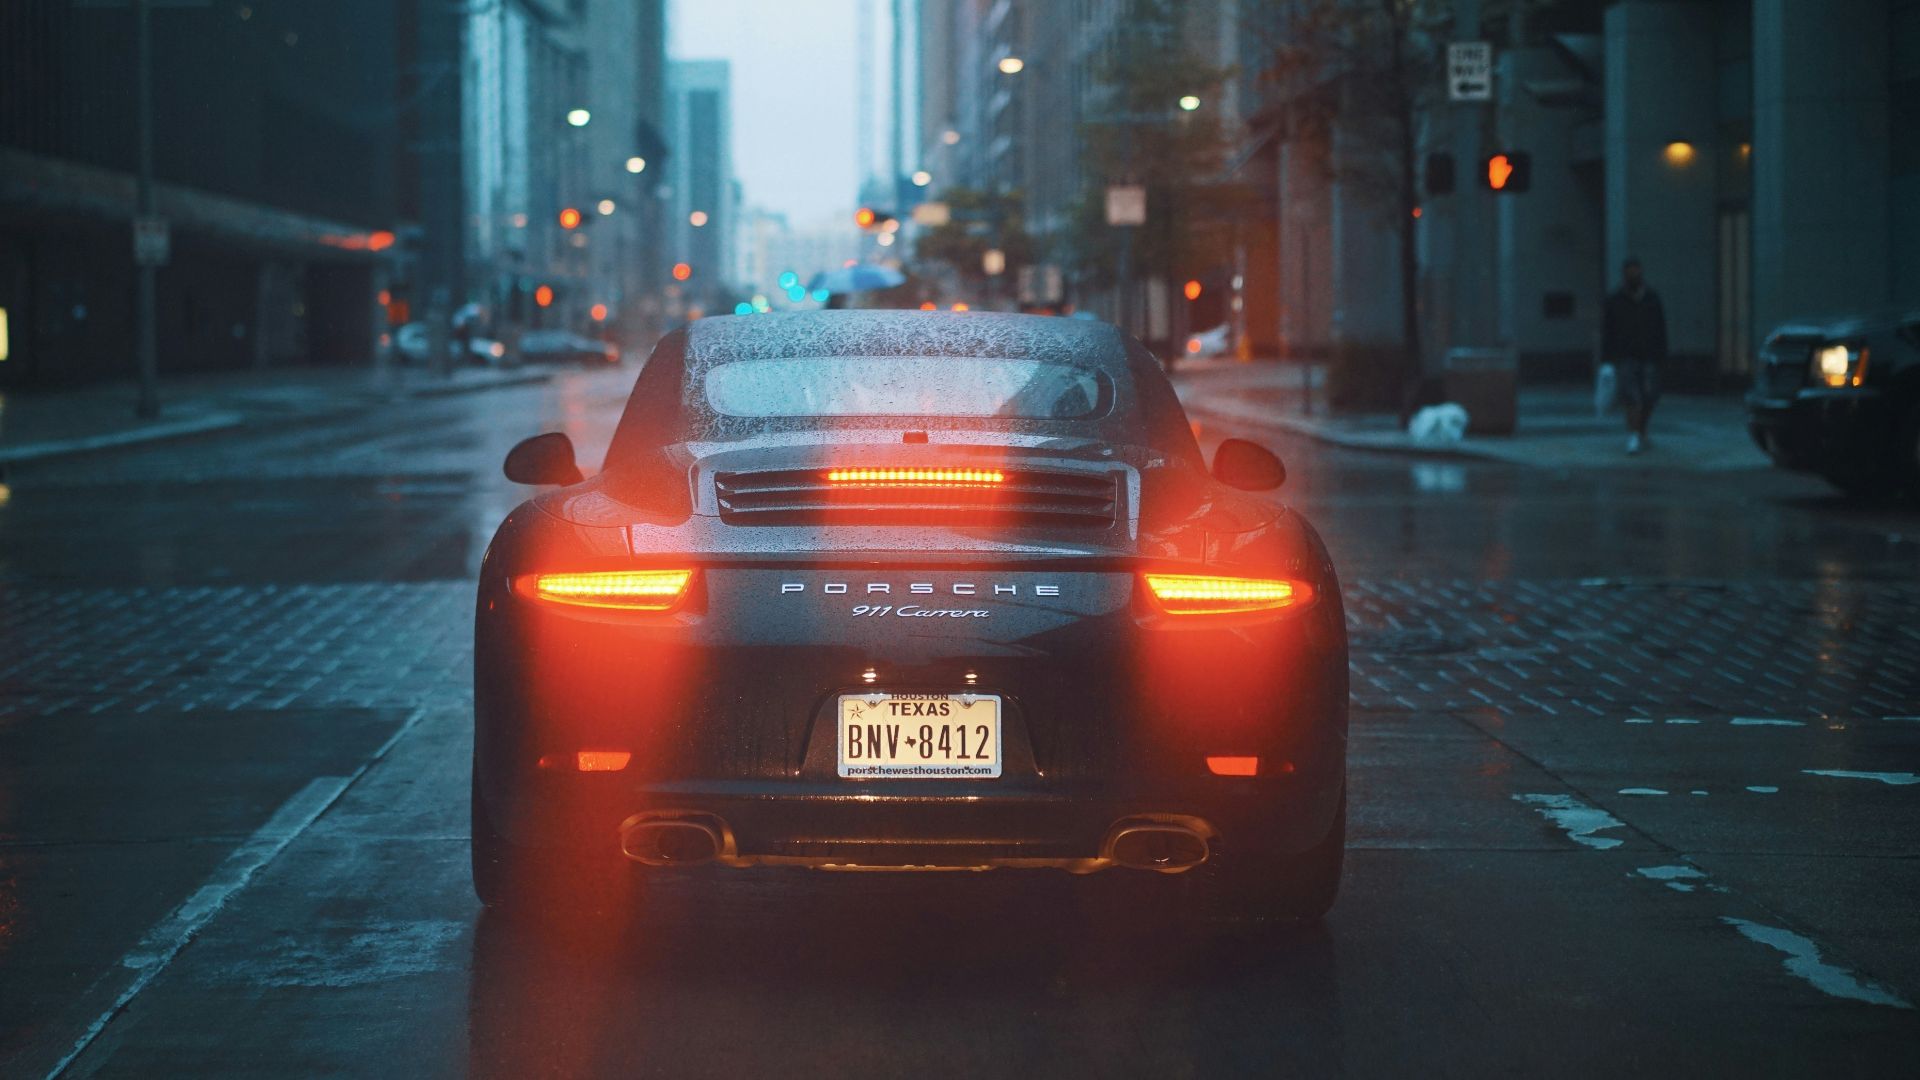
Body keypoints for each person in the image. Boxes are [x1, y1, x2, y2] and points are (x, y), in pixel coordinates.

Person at [1602, 256, 1668, 454]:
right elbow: (1608, 330)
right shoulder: (1615, 300)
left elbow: (1660, 327)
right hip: (1625, 355)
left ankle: (1641, 431)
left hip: (1649, 354)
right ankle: (1634, 434)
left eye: (1635, 270)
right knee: (1631, 397)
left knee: (1650, 397)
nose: (1633, 275)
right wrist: (1608, 358)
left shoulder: (1652, 298)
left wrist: (1662, 354)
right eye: (1629, 271)